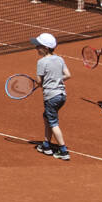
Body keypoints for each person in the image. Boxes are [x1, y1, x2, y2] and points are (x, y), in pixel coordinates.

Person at [31, 32, 71, 160]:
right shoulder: (60, 59)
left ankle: (63, 151)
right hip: (61, 96)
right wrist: (55, 80)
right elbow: (67, 75)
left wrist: (44, 82)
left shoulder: (41, 62)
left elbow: (39, 81)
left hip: (51, 97)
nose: (36, 48)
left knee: (53, 122)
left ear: (45, 48)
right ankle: (46, 145)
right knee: (47, 117)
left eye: (38, 46)